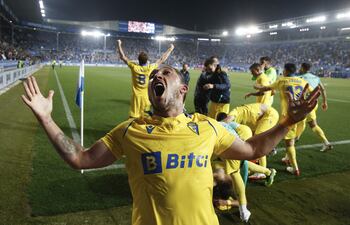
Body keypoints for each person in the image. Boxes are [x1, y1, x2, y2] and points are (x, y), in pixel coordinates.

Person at [21, 65, 319, 225]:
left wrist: (285, 123)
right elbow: (81, 159)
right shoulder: (130, 131)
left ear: (182, 89)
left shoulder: (208, 127)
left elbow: (253, 150)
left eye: (165, 74)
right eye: (153, 76)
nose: (156, 77)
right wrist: (47, 119)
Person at [254, 63, 312, 176]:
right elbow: (311, 92)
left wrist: (256, 86)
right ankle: (286, 157)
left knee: (289, 143)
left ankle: (295, 168)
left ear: (285, 71)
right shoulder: (302, 81)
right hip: (302, 116)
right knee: (293, 140)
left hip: (290, 116)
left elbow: (266, 88)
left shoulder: (282, 81)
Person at [216, 103, 279, 179]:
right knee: (254, 144)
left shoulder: (233, 114)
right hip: (262, 118)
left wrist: (221, 124)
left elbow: (229, 119)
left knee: (258, 143)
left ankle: (261, 171)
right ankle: (267, 154)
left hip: (270, 115)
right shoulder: (240, 116)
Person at [116, 39, 174, 118]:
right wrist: (170, 49)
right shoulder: (149, 68)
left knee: (133, 117)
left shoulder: (134, 67)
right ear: (147, 61)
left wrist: (119, 44)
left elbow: (123, 57)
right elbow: (162, 59)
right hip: (146, 97)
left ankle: (132, 129)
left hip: (136, 97)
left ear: (138, 60)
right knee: (146, 117)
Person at [296, 63, 332, 152]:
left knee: (311, 124)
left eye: (300, 67)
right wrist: (325, 102)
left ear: (302, 68)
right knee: (302, 121)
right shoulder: (316, 78)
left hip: (305, 104)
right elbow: (322, 89)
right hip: (314, 103)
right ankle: (296, 138)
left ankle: (326, 142)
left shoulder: (300, 78)